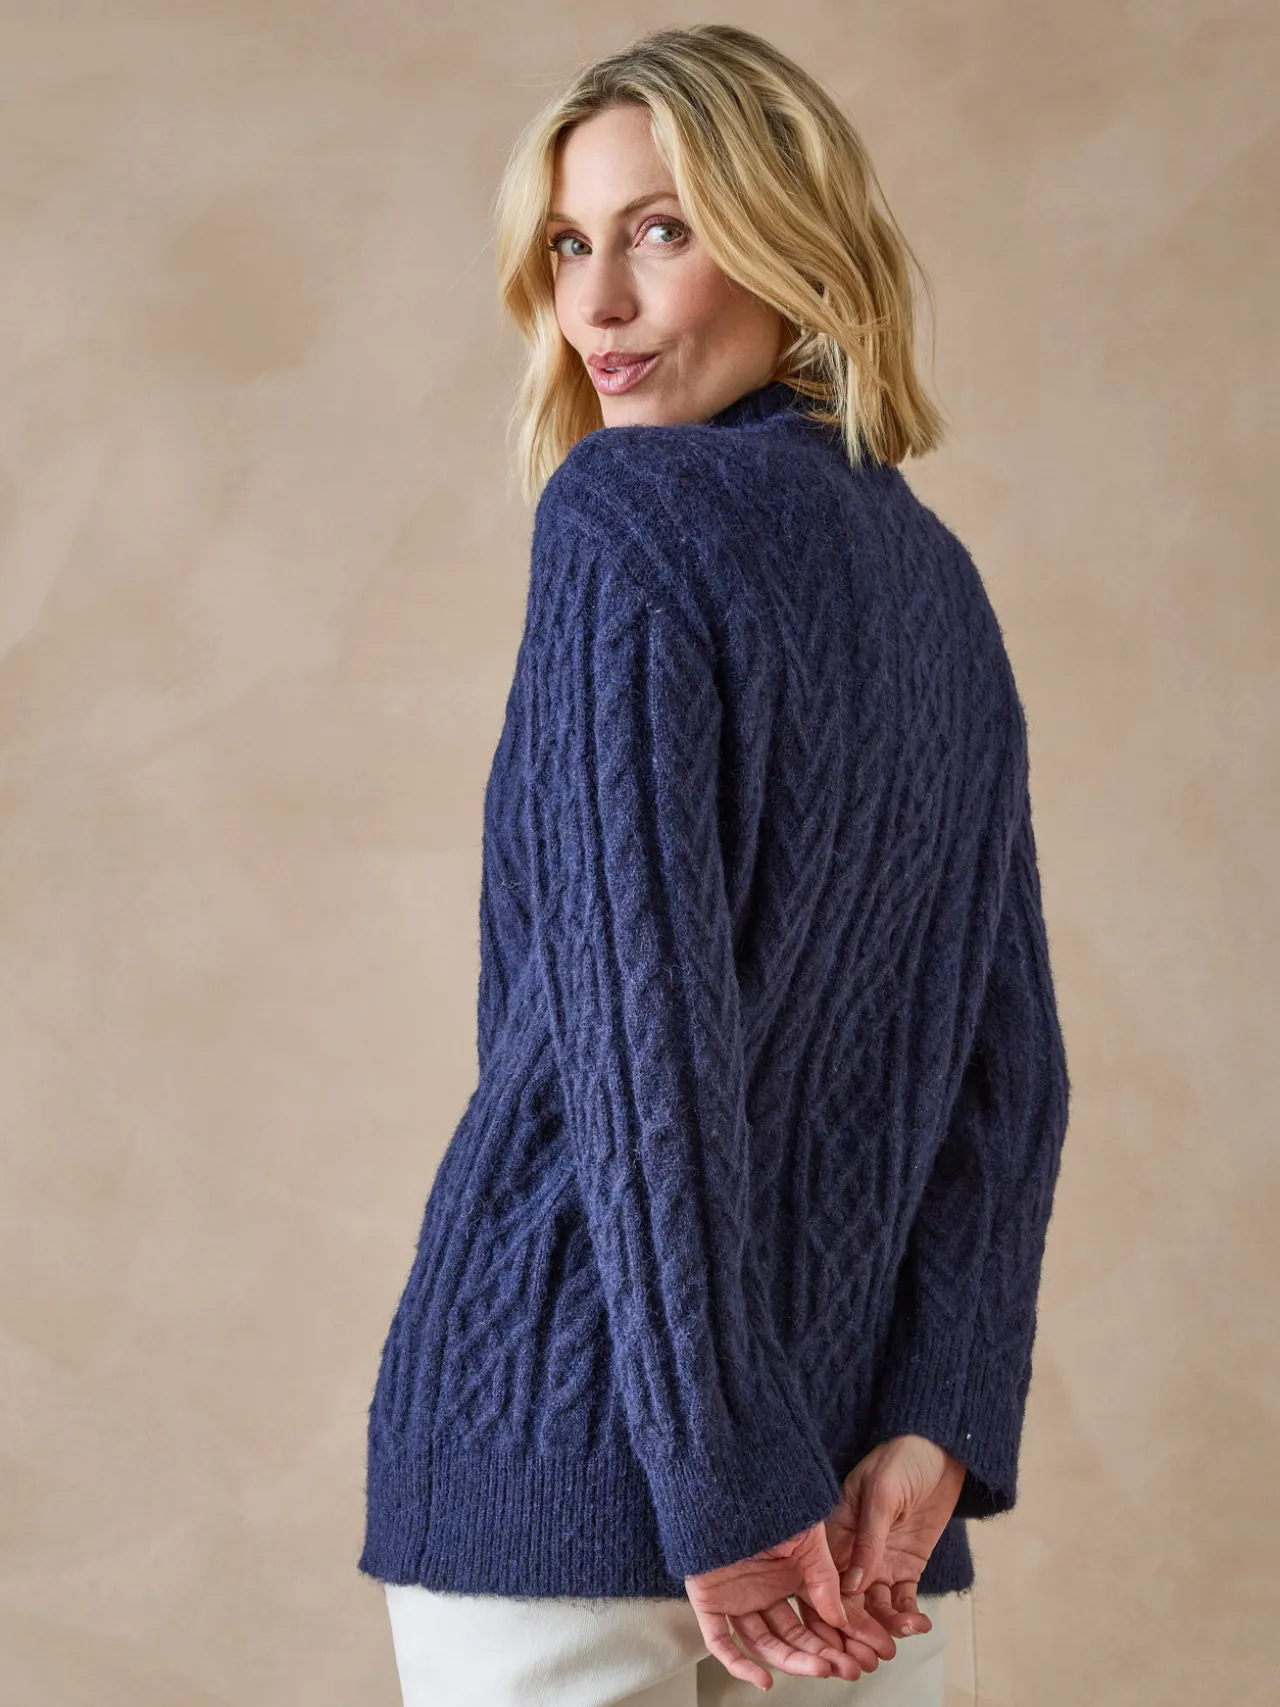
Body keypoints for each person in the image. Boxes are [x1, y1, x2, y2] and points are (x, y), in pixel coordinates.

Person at [358, 23, 1072, 1706]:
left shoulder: (626, 517)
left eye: (661, 231)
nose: (596, 304)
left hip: (580, 1442)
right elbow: (1013, 1073)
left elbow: (641, 1037)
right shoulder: (943, 589)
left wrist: (726, 1478)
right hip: (849, 1491)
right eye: (567, 245)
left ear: (790, 243)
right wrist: (938, 1418)